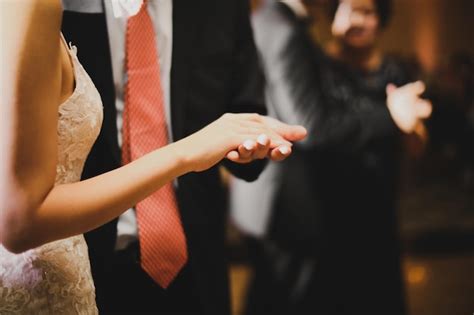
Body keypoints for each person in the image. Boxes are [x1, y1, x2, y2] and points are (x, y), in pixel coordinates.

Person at [0, 0, 307, 314]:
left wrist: (245, 146)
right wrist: (189, 151)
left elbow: (240, 109)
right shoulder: (44, 8)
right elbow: (22, 213)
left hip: (193, 257)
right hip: (79, 254)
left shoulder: (223, 7)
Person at [231, 0, 432, 314]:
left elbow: (417, 140)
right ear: (333, 16)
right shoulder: (320, 62)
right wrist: (391, 116)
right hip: (330, 203)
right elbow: (313, 124)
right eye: (347, 10)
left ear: (381, 20)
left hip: (374, 201)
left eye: (366, 12)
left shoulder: (395, 71)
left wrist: (409, 126)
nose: (355, 20)